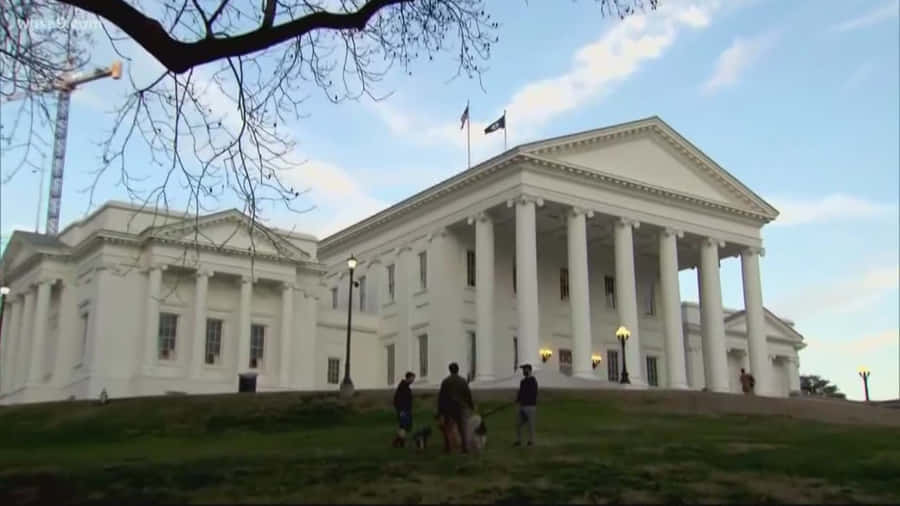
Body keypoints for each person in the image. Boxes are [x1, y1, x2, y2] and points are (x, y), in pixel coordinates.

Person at [437, 362, 474, 453]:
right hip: (462, 407)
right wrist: (471, 405)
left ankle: (448, 447)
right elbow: (468, 394)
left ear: (450, 370)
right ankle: (465, 448)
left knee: (448, 428)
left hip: (449, 407)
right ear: (458, 370)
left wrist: (440, 411)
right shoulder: (463, 381)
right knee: (463, 428)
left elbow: (442, 397)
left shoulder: (446, 381)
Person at [515, 363, 538, 447]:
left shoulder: (533, 381)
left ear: (529, 370)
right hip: (522, 406)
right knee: (518, 424)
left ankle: (531, 441)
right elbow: (520, 392)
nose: (523, 371)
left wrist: (525, 399)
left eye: (524, 369)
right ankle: (518, 441)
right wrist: (517, 400)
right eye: (523, 369)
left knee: (531, 425)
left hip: (530, 406)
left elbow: (533, 393)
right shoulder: (522, 381)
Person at [392, 371, 416, 447]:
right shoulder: (403, 387)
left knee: (405, 426)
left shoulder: (406, 386)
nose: (413, 380)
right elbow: (398, 399)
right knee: (403, 426)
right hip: (403, 410)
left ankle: (398, 441)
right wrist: (400, 410)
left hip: (406, 409)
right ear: (408, 378)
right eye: (412, 378)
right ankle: (400, 442)